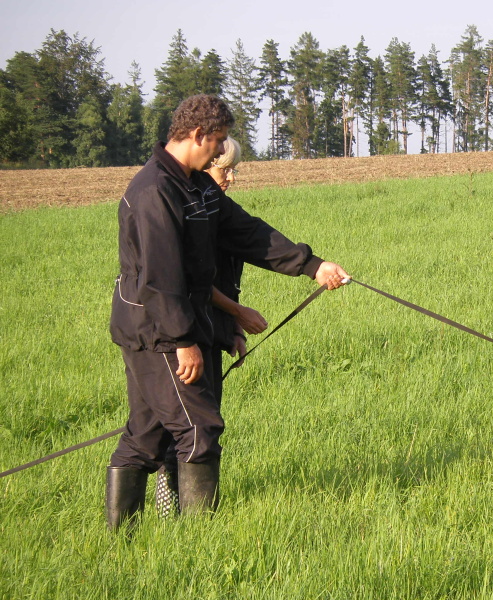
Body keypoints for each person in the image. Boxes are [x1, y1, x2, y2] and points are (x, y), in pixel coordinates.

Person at [106, 94, 350, 531]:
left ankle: (120, 541)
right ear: (196, 135)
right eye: (217, 141)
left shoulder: (195, 185)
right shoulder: (153, 192)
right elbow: (160, 279)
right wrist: (183, 342)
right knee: (199, 428)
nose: (221, 151)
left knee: (146, 435)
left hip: (174, 324)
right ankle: (200, 541)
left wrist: (311, 266)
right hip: (155, 329)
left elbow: (246, 232)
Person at [153, 136, 268, 517]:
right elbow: (194, 282)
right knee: (187, 426)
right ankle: (174, 511)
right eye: (224, 169)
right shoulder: (186, 210)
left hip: (211, 328)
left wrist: (232, 329)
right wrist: (237, 312)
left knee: (200, 421)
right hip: (181, 329)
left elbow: (229, 275)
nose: (231, 178)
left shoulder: (218, 210)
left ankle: (191, 520)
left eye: (234, 170)